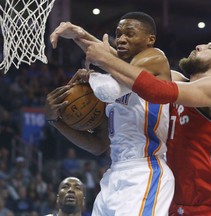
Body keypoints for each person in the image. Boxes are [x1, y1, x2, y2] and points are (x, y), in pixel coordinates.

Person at [70, 35, 211, 215]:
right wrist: (78, 35)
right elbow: (134, 68)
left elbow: (155, 90)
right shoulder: (180, 81)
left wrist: (104, 59)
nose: (199, 45)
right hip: (176, 206)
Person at [47, 12, 174, 215]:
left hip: (145, 171)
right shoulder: (117, 74)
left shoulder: (155, 58)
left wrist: (94, 74)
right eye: (119, 34)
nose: (122, 39)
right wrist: (56, 120)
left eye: (130, 34)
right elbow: (99, 145)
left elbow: (111, 88)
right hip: (114, 174)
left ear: (150, 39)